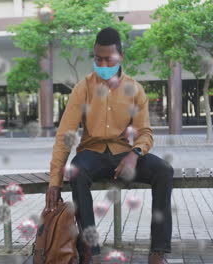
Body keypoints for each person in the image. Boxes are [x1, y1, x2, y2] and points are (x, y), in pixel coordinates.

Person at [45, 27, 174, 264]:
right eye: (98, 58)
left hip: (124, 155)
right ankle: (90, 250)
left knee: (164, 171)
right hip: (91, 154)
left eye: (109, 59)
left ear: (120, 57)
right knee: (77, 171)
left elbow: (145, 133)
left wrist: (135, 154)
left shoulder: (135, 89)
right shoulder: (82, 88)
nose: (103, 63)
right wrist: (54, 182)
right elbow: (65, 135)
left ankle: (158, 251)